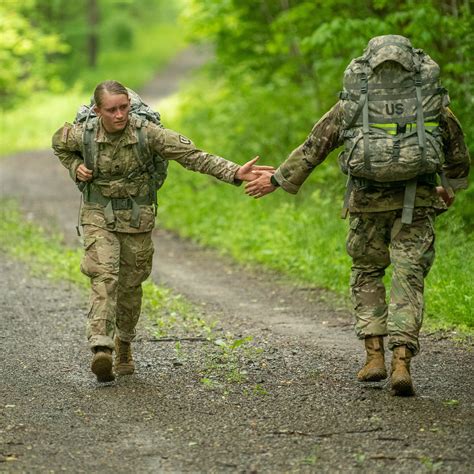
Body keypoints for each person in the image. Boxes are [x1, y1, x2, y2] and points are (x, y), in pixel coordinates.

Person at [246, 35, 470, 396]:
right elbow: (456, 150)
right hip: (417, 202)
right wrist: (451, 185)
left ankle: (373, 357)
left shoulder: (354, 101)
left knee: (367, 273)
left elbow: (314, 145)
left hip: (366, 205)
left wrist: (276, 180)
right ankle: (402, 362)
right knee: (408, 279)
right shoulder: (427, 100)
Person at [52, 80, 274, 382]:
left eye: (124, 108)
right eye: (112, 110)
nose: (119, 115)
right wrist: (75, 166)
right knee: (104, 276)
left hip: (137, 216)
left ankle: (124, 344)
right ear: (97, 111)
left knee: (131, 285)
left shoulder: (147, 133)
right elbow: (59, 144)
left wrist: (234, 172)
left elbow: (193, 156)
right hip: (97, 213)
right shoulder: (84, 133)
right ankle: (101, 348)